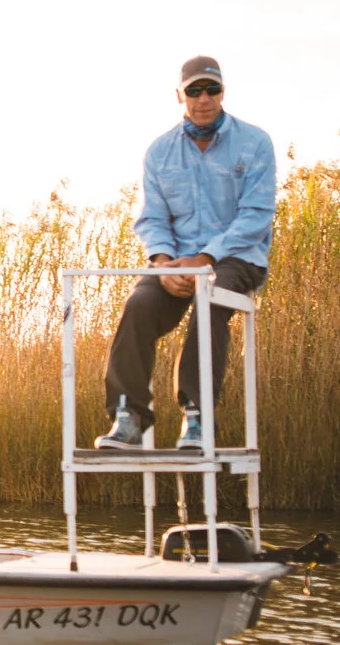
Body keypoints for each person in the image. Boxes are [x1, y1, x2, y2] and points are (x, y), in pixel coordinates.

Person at [98, 57, 276, 450]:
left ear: (222, 93)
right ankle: (128, 417)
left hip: (238, 258)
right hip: (177, 261)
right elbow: (152, 219)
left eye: (211, 90)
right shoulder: (159, 152)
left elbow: (256, 216)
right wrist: (162, 263)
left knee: (210, 298)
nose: (204, 99)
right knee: (139, 304)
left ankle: (197, 417)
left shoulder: (255, 142)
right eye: (194, 91)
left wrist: (205, 260)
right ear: (180, 95)